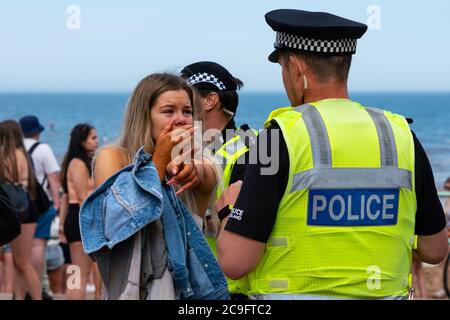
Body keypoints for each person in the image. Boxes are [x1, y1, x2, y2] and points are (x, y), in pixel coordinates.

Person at [215, 9, 449, 300]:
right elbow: (435, 250)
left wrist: (228, 211)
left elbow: (236, 262)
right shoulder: (400, 135)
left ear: (297, 68)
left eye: (283, 68)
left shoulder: (277, 138)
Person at [80, 73, 228, 300]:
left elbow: (204, 174)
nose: (180, 120)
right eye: (169, 111)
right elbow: (112, 223)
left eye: (187, 112)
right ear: (144, 116)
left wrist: (190, 170)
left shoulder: (200, 161)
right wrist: (158, 162)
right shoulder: (112, 157)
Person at [180, 62, 256, 298]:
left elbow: (243, 229)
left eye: (185, 97)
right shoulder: (203, 147)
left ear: (209, 100)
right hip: (204, 284)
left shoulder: (245, 149)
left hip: (228, 289)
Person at [19, 115, 61, 299]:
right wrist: (56, 204)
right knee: (38, 245)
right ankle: (37, 287)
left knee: (18, 249)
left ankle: (21, 289)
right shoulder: (43, 148)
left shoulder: (14, 148)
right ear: (37, 131)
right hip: (41, 204)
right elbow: (52, 178)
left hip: (19, 203)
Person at [0, 120, 42, 300]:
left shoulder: (5, 156)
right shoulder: (23, 154)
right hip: (26, 207)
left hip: (10, 208)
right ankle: (21, 297)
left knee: (22, 263)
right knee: (21, 263)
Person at [58, 124, 100, 300]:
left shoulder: (75, 162)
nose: (97, 141)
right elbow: (83, 198)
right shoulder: (78, 164)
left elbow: (65, 198)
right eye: (93, 138)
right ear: (82, 141)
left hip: (75, 217)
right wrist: (95, 224)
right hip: (81, 217)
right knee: (79, 272)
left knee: (79, 270)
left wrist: (61, 224)